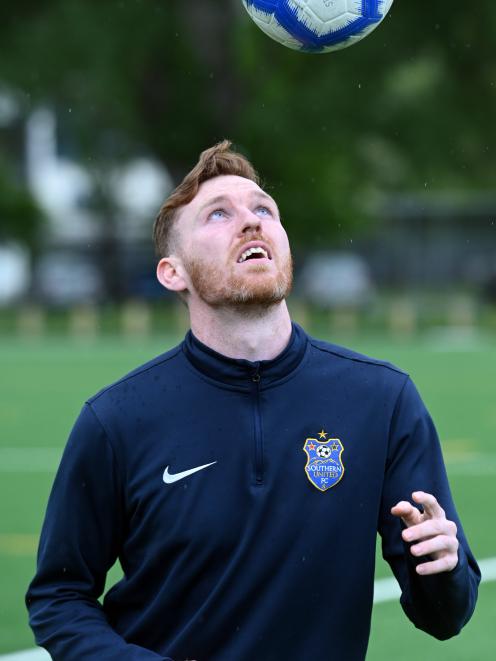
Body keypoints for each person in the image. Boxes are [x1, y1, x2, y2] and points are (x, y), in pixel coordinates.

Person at [27, 141, 480, 661]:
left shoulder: (383, 399)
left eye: (264, 209)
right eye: (218, 215)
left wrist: (443, 569)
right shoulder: (116, 420)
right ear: (173, 272)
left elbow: (445, 617)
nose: (251, 222)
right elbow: (59, 596)